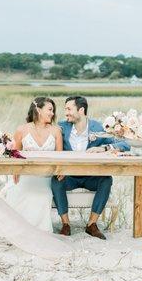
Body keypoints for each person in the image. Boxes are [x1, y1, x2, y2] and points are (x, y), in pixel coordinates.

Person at [51, 96, 130, 240]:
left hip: (91, 176)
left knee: (106, 180)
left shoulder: (98, 127)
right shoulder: (62, 127)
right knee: (55, 181)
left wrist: (105, 147)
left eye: (69, 109)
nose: (66, 113)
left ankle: (91, 224)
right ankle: (66, 225)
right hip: (69, 176)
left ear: (81, 110)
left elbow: (125, 144)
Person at [2, 96, 62, 232]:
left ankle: (39, 231)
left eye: (53, 110)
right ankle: (18, 229)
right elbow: (15, 155)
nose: (53, 113)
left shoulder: (56, 131)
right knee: (17, 191)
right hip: (25, 175)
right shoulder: (22, 130)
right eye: (50, 109)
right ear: (38, 110)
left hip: (45, 176)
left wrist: (60, 172)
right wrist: (16, 171)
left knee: (43, 196)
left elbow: (60, 157)